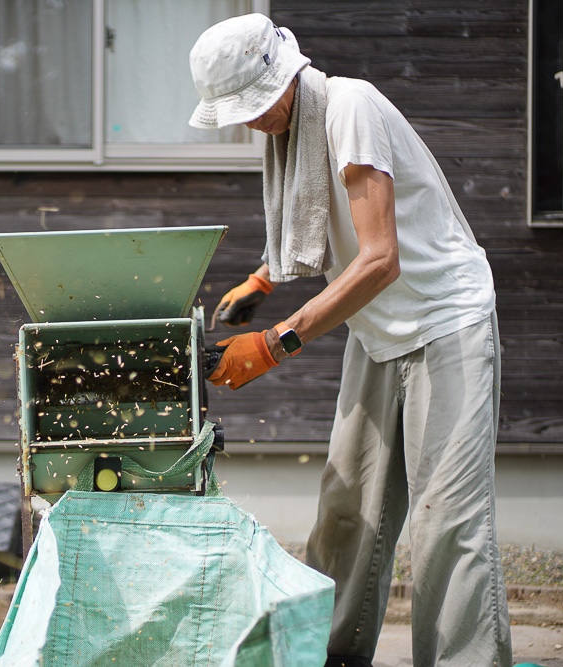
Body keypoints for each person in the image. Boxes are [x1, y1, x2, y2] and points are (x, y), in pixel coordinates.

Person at [189, 13, 512, 667]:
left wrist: (277, 340)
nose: (250, 122)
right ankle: (326, 654)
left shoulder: (350, 106)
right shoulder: (292, 128)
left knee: (445, 520)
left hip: (443, 320)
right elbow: (318, 213)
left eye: (254, 105)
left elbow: (379, 259)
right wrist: (264, 277)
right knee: (345, 506)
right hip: (377, 330)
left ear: (288, 77)